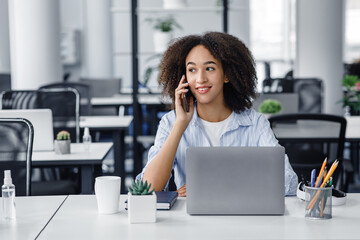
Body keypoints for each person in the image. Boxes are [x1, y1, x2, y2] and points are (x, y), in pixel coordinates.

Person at [136, 32, 298, 196]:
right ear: (184, 77)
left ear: (227, 74)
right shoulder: (170, 122)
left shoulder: (255, 123)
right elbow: (148, 189)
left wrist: (213, 187)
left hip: (242, 218)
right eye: (192, 69)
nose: (200, 79)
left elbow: (288, 183)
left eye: (210, 68)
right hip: (189, 220)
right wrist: (180, 125)